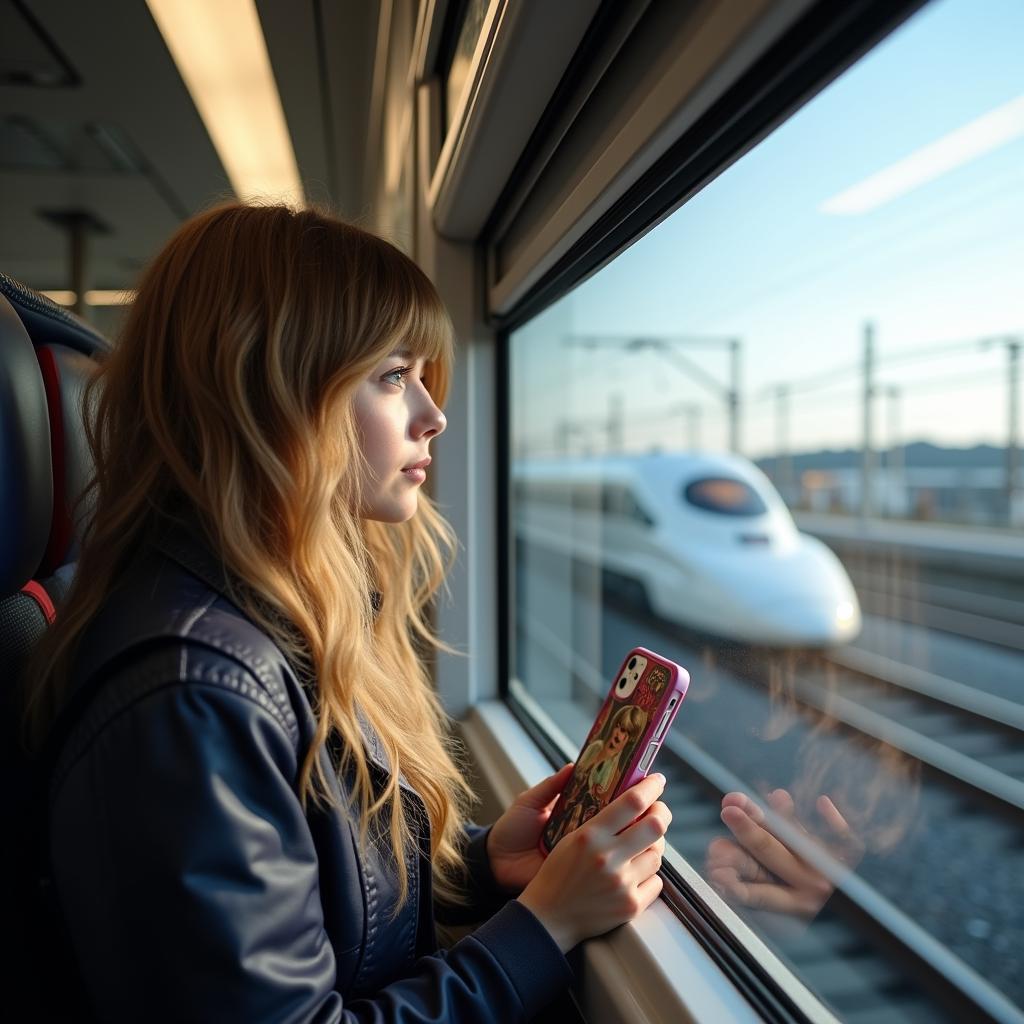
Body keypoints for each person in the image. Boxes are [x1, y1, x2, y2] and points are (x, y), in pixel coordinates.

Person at [21, 202, 672, 1023]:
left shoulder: (274, 617)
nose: (433, 415)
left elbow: (315, 893)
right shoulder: (193, 692)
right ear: (270, 391)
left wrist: (478, 866)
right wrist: (544, 929)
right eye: (395, 376)